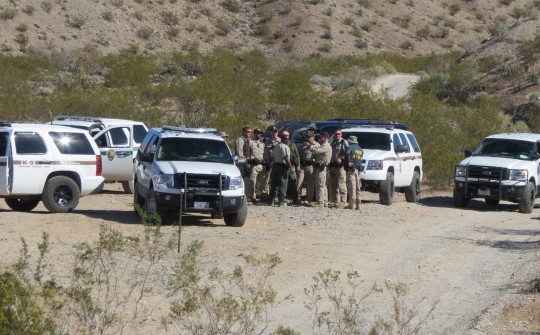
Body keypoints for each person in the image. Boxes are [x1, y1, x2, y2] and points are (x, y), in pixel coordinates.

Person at [267, 133, 293, 207]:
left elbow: (272, 156)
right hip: (282, 166)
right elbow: (286, 158)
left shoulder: (276, 146)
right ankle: (281, 201)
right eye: (286, 139)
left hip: (275, 165)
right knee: (283, 184)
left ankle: (271, 200)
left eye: (288, 139)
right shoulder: (284, 147)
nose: (287, 140)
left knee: (274, 184)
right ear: (282, 139)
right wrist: (291, 167)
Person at [310, 132, 332, 208]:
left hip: (322, 168)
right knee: (323, 185)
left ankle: (320, 202)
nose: (320, 138)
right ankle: (324, 201)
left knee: (320, 184)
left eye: (322, 137)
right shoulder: (323, 145)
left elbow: (316, 151)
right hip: (321, 167)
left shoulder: (326, 146)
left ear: (325, 138)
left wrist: (311, 145)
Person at [328, 129, 349, 207]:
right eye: (336, 134)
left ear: (341, 134)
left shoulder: (344, 142)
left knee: (342, 184)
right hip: (332, 166)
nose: (337, 135)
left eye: (339, 134)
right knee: (333, 185)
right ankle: (335, 201)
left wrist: (341, 158)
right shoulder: (332, 142)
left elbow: (348, 153)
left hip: (341, 167)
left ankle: (343, 201)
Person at [299, 130, 319, 204]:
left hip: (311, 166)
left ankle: (309, 198)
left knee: (310, 183)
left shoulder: (317, 145)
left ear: (313, 137)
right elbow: (300, 154)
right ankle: (298, 197)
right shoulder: (303, 144)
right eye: (307, 136)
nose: (308, 138)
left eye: (309, 137)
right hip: (303, 165)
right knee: (299, 181)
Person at [282, 130, 301, 206]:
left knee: (293, 183)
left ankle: (295, 199)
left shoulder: (293, 145)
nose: (286, 138)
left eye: (287, 136)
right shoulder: (280, 145)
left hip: (291, 166)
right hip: (282, 166)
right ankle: (284, 198)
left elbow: (297, 156)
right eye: (284, 136)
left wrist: (297, 166)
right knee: (283, 184)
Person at [344, 135, 363, 210]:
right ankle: (359, 204)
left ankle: (352, 205)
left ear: (350, 141)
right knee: (358, 187)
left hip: (351, 170)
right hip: (358, 170)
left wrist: (348, 162)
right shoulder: (360, 149)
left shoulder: (350, 148)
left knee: (352, 187)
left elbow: (347, 153)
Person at [261, 126, 280, 200]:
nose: (274, 133)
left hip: (277, 163)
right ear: (271, 132)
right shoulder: (267, 141)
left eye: (275, 132)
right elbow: (264, 153)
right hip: (268, 163)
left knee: (276, 180)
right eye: (273, 132)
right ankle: (266, 195)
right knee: (266, 179)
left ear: (277, 132)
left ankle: (275, 195)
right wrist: (266, 161)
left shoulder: (280, 141)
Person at [247, 128, 265, 203]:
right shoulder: (250, 142)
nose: (259, 134)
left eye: (260, 133)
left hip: (261, 165)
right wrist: (251, 159)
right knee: (253, 182)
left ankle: (261, 195)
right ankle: (252, 196)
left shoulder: (262, 143)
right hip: (253, 165)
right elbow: (247, 154)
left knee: (262, 181)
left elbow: (264, 153)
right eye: (258, 133)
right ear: (254, 133)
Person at [235, 126, 252, 192]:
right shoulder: (240, 140)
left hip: (246, 163)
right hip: (241, 163)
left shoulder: (248, 141)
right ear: (243, 132)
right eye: (248, 132)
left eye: (250, 132)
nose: (249, 133)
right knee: (244, 180)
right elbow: (240, 154)